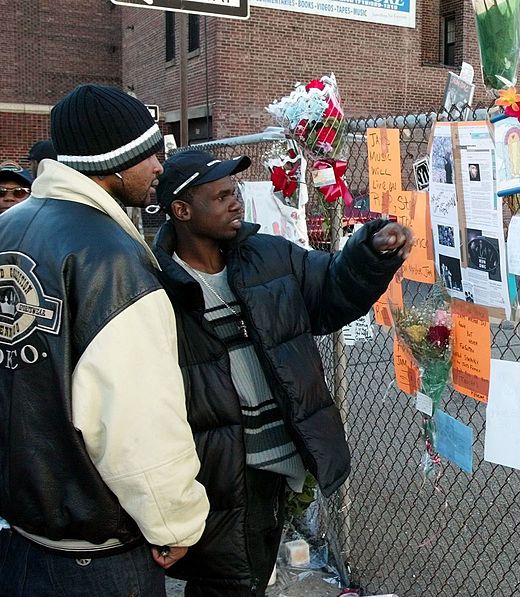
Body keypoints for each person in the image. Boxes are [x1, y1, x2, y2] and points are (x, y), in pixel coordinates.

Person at [152, 149, 411, 595]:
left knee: (244, 576)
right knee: (229, 581)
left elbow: (329, 290)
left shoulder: (267, 256)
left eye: (235, 192)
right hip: (218, 474)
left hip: (279, 466)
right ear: (182, 210)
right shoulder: (154, 285)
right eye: (220, 197)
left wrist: (369, 253)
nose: (235, 202)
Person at [0, 84, 210, 595]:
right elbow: (135, 419)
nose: (161, 165)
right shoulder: (111, 258)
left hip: (19, 533)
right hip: (93, 555)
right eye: (151, 153)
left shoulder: (9, 228)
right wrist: (174, 522)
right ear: (117, 164)